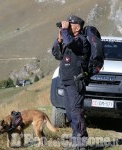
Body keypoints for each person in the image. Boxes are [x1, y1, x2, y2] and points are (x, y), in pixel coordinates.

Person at [52, 15, 91, 150]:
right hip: (66, 82)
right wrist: (59, 39)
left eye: (70, 25)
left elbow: (71, 43)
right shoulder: (68, 41)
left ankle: (81, 143)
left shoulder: (82, 40)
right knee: (70, 113)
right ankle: (76, 142)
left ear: (78, 27)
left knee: (76, 112)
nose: (67, 27)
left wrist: (64, 31)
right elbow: (56, 54)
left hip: (76, 82)